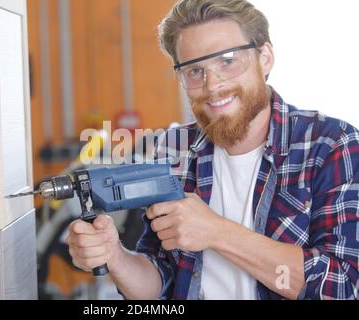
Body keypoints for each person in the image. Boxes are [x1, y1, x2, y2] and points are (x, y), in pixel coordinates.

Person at [67, 0, 359, 300]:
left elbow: (341, 285)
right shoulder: (173, 148)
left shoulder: (331, 144)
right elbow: (161, 282)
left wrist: (217, 232)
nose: (212, 85)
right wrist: (114, 255)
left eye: (228, 61)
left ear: (265, 58)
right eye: (194, 70)